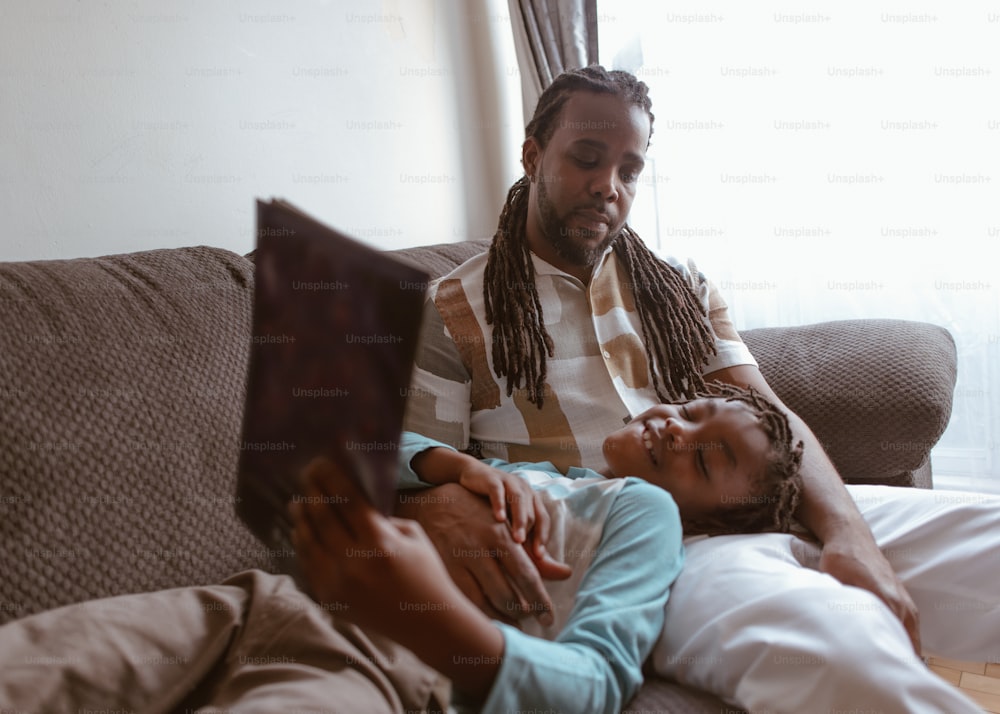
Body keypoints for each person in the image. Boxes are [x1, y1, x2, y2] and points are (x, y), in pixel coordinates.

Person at [396, 64, 1000, 712]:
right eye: (587, 158)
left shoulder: (679, 284)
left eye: (629, 169)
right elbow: (415, 472)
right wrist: (433, 510)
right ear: (532, 154)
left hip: (757, 499)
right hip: (652, 554)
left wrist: (850, 536)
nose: (608, 187)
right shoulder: (450, 309)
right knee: (846, 660)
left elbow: (769, 417)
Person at [291, 386, 804, 713]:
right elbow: (358, 448)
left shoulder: (648, 511)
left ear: (702, 523)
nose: (676, 428)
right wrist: (454, 466)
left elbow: (598, 681)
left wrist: (433, 617)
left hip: (384, 669)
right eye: (691, 411)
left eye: (707, 461)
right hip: (281, 604)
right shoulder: (549, 480)